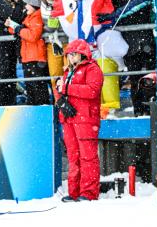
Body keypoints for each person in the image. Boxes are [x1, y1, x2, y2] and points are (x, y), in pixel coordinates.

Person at [54, 39, 104, 202]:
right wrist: (61, 100)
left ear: (82, 54)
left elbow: (92, 91)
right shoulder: (68, 71)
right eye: (68, 55)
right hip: (69, 120)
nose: (70, 58)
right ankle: (74, 192)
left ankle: (88, 193)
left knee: (87, 157)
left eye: (73, 54)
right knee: (73, 157)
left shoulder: (93, 69)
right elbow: (59, 89)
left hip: (86, 120)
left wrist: (66, 89)